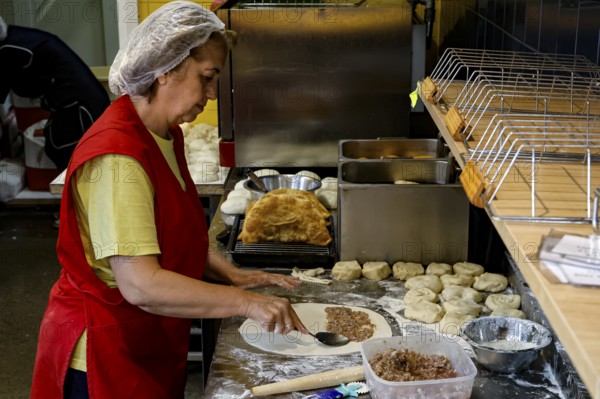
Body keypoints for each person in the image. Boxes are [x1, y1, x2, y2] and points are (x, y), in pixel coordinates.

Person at [30, 2, 306, 398]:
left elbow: (164, 236)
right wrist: (245, 303)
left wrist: (228, 274)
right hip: (104, 354)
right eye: (207, 78)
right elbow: (141, 284)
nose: (212, 95)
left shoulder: (163, 134)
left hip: (146, 339)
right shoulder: (118, 158)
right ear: (165, 68)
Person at [0, 16, 110, 170]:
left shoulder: (9, 49)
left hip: (80, 104)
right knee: (59, 147)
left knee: (72, 155)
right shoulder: (17, 38)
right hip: (80, 100)